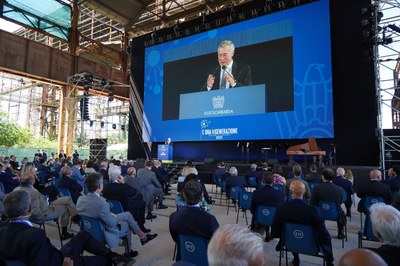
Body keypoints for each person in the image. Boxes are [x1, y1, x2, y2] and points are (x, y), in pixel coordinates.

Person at [0, 190, 133, 265]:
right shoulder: (34, 235)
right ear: (29, 209)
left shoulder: (3, 228)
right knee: (102, 261)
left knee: (82, 235)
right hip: (59, 263)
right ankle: (111, 259)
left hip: (52, 256)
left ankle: (114, 255)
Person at [76, 172, 157, 258]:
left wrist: (109, 214)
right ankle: (129, 251)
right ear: (99, 186)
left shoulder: (80, 199)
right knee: (126, 224)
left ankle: (142, 236)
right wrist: (111, 216)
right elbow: (111, 224)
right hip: (103, 232)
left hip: (89, 230)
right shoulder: (102, 204)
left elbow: (91, 211)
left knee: (128, 215)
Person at [272, 179, 334, 266]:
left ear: (290, 192)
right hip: (312, 246)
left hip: (290, 243)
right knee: (326, 237)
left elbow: (275, 232)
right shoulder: (314, 210)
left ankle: (296, 258)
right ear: (304, 192)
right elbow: (322, 232)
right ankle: (329, 261)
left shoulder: (281, 209)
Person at [14, 172, 79, 240]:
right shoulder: (33, 192)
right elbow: (35, 210)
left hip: (45, 203)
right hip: (45, 212)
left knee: (67, 200)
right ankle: (66, 231)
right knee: (66, 208)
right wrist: (42, 217)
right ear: (32, 181)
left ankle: (74, 217)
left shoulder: (16, 189)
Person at [169, 180, 219, 261]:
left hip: (183, 258)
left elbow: (176, 239)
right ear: (202, 196)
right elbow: (218, 242)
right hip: (206, 260)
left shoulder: (173, 217)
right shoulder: (209, 219)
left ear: (184, 196)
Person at [102, 165, 149, 233]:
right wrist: (124, 183)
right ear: (119, 176)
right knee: (142, 203)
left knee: (139, 199)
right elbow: (134, 191)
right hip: (125, 208)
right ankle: (141, 225)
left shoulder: (105, 187)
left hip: (112, 209)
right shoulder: (122, 187)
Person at [310, 167, 347, 239]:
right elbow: (343, 200)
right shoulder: (340, 189)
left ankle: (320, 231)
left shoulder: (317, 188)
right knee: (342, 214)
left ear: (323, 177)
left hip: (320, 213)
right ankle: (341, 233)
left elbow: (312, 202)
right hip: (335, 214)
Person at [250, 172, 285, 241]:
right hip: (274, 219)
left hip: (259, 218)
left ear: (263, 181)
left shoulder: (256, 193)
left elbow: (252, 209)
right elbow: (282, 210)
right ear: (273, 181)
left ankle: (259, 229)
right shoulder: (280, 194)